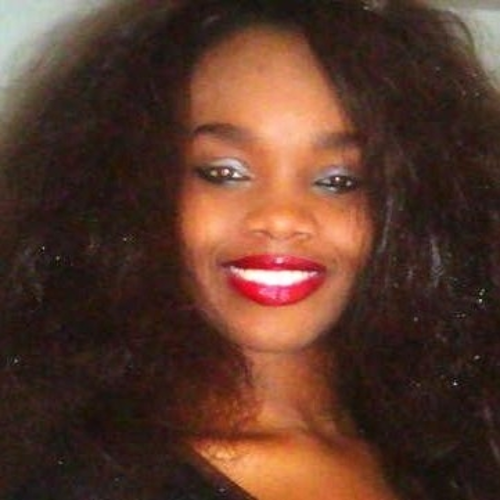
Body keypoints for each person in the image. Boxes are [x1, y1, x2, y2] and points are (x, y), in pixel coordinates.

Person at [0, 0, 498, 498]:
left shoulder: (464, 449)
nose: (281, 217)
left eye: (339, 180)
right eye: (224, 173)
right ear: (130, 189)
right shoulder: (90, 478)